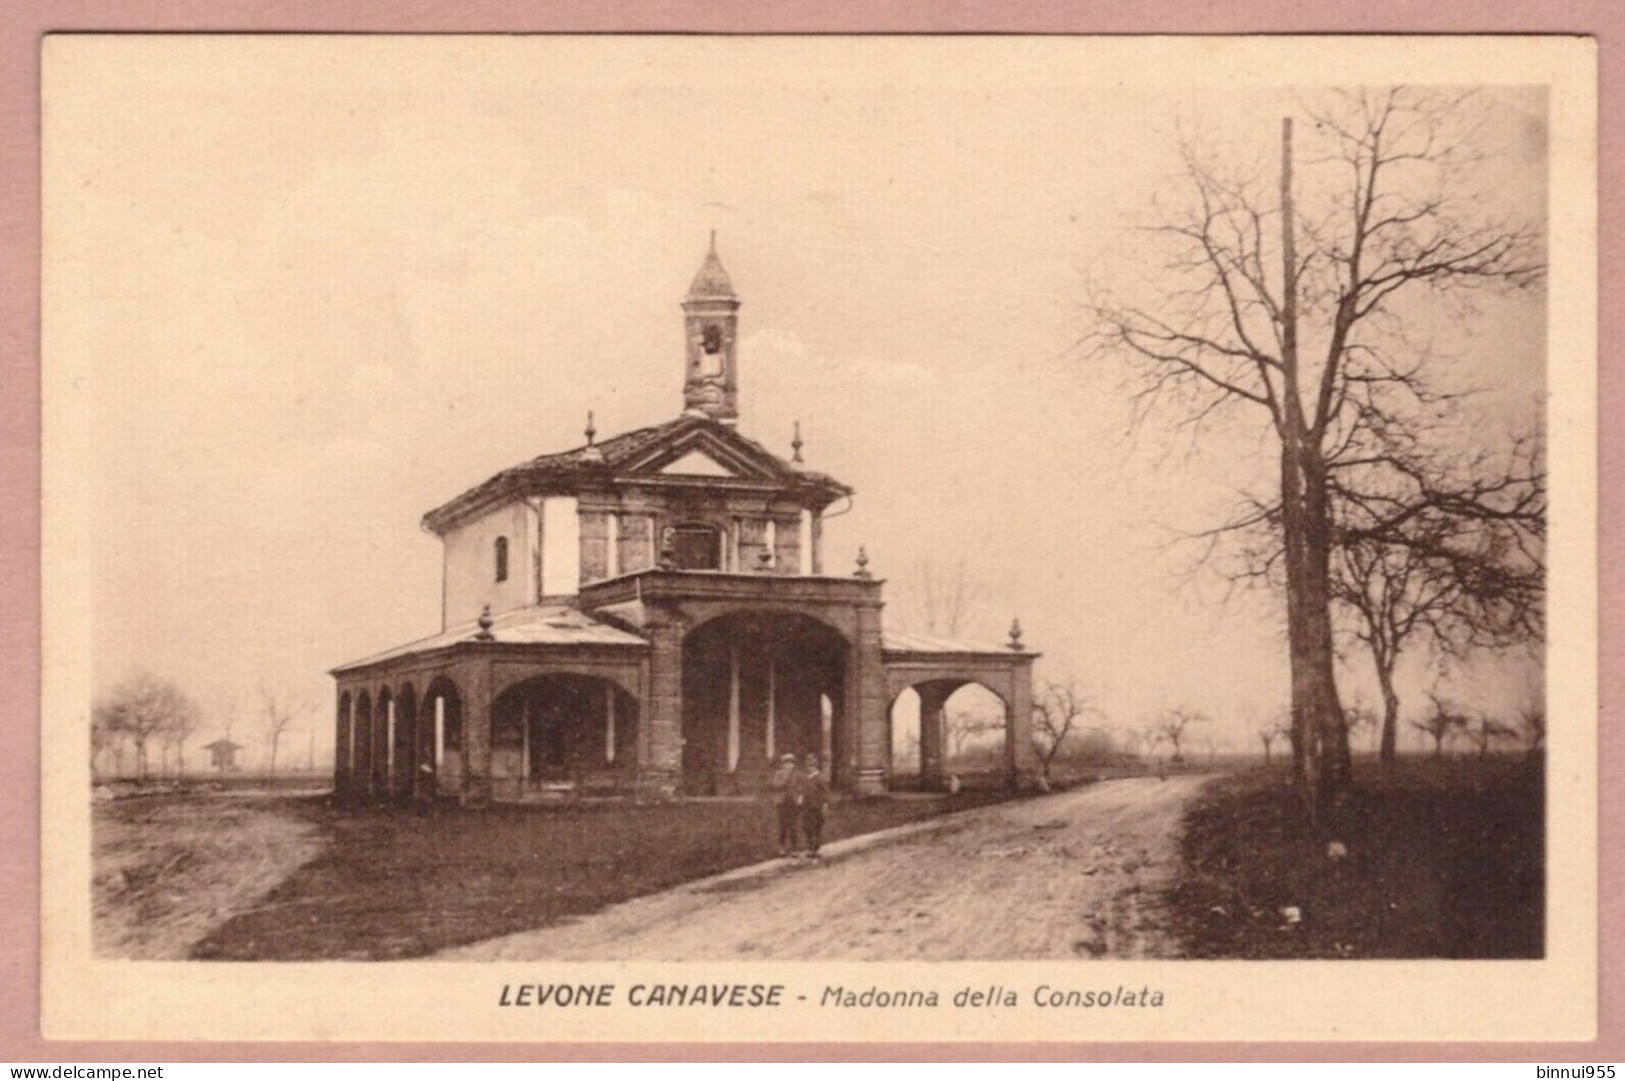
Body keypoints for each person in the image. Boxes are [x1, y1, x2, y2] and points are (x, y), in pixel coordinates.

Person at [770, 753, 801, 857]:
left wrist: (800, 798)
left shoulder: (797, 775)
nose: (788, 765)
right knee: (783, 825)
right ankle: (782, 847)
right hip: (782, 802)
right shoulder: (779, 773)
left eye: (791, 763)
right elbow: (774, 784)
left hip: (793, 802)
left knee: (793, 826)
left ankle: (794, 849)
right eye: (786, 763)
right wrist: (784, 779)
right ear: (783, 764)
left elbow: (801, 788)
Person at [798, 753, 829, 859]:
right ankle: (810, 848)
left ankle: (815, 849)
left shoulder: (820, 778)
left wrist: (824, 804)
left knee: (816, 827)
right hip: (806, 806)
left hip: (816, 807)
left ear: (816, 766)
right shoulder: (805, 778)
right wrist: (800, 798)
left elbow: (825, 792)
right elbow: (802, 790)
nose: (810, 769)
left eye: (812, 766)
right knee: (807, 827)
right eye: (809, 766)